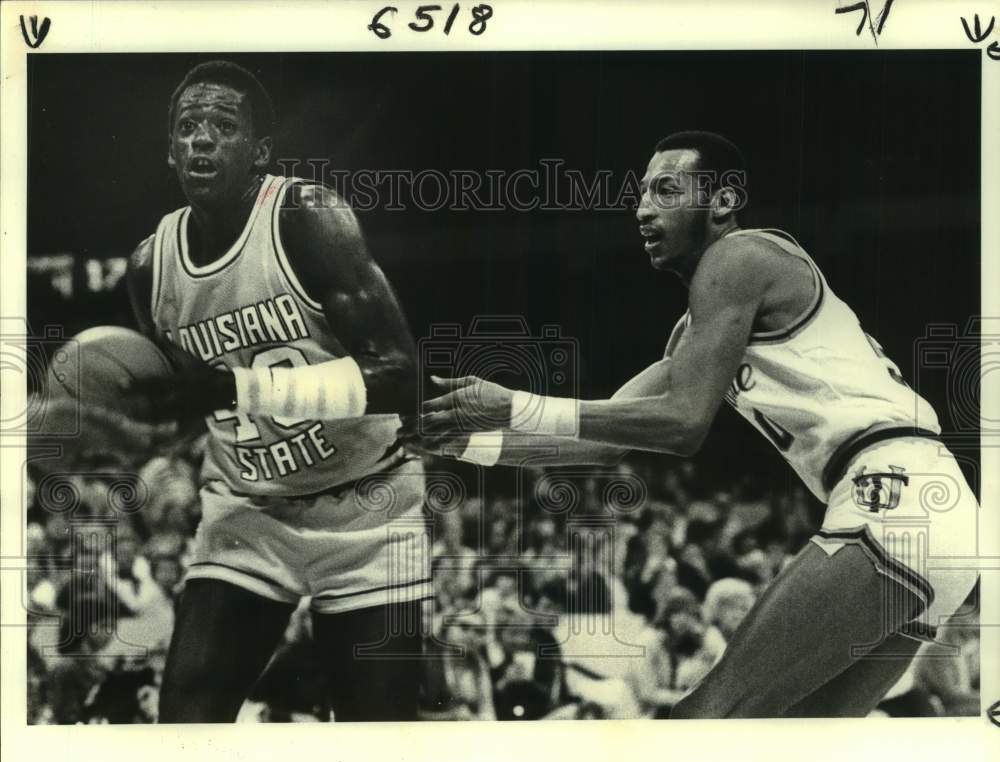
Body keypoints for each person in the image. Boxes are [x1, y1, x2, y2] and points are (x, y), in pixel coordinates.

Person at [412, 130, 980, 717]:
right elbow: (602, 446)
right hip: (946, 523)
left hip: (893, 494)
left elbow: (684, 425)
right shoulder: (695, 335)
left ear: (724, 200)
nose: (642, 209)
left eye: (665, 189)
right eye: (640, 194)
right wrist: (467, 444)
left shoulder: (739, 256)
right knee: (795, 753)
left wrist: (515, 403)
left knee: (705, 721)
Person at [124, 61, 428, 722]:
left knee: (375, 750)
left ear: (260, 152)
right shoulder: (151, 267)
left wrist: (236, 385)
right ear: (170, 150)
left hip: (365, 508)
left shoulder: (307, 218)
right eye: (187, 127)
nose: (201, 139)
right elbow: (178, 407)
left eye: (222, 127)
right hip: (249, 513)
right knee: (182, 731)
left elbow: (401, 378)